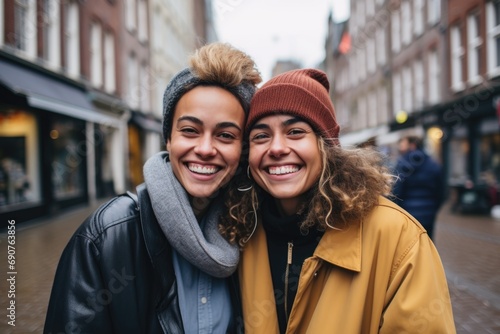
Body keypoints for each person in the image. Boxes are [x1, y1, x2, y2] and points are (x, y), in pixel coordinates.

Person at [44, 42, 261, 333]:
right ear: (168, 139)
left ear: (242, 149)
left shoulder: (250, 228)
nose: (206, 149)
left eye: (225, 135)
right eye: (189, 131)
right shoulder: (105, 237)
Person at [220, 69, 456, 333]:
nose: (276, 148)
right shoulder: (239, 231)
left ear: (326, 147)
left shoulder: (399, 239)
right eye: (261, 136)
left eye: (296, 131)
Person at [392, 135, 445, 240]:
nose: (401, 148)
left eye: (403, 145)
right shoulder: (432, 163)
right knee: (428, 242)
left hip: (408, 213)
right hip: (429, 213)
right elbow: (441, 191)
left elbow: (397, 191)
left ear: (412, 145)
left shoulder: (402, 164)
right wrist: (434, 207)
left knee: (411, 244)